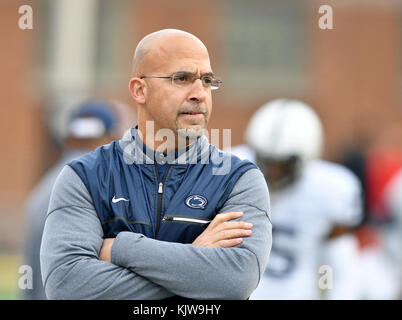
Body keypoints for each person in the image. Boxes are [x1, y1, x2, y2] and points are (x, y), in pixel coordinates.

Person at [40, 29, 272, 300]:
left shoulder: (239, 180)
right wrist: (196, 265)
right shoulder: (85, 176)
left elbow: (234, 281)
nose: (199, 93)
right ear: (140, 90)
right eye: (182, 79)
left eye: (207, 80)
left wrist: (120, 249)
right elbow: (68, 286)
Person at [231, 99, 364, 300]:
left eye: (282, 165)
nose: (273, 172)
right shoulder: (232, 169)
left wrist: (331, 292)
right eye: (266, 162)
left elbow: (339, 267)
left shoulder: (331, 189)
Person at [21, 99, 118, 299]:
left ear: (69, 139)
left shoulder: (41, 190)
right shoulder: (103, 187)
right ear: (110, 137)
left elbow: (26, 276)